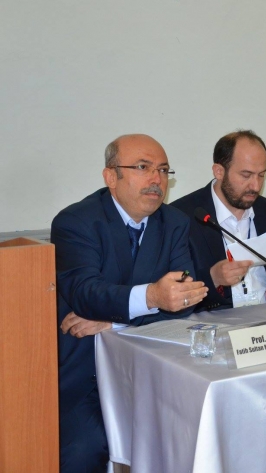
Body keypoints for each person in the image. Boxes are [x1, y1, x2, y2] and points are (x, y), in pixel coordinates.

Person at [52, 134, 208, 472]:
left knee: (191, 435)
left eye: (163, 170)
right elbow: (85, 292)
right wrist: (152, 297)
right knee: (83, 450)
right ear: (111, 176)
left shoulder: (175, 223)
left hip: (153, 371)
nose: (156, 179)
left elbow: (186, 299)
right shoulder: (76, 221)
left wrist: (115, 321)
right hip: (87, 372)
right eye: (143, 167)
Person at [171, 130, 266, 310]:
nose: (256, 186)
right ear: (219, 171)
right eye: (246, 175)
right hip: (216, 319)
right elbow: (175, 284)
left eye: (261, 175)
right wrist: (213, 278)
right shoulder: (182, 215)